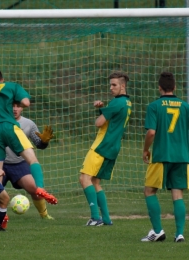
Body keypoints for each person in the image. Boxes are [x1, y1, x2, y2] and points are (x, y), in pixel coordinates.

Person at [0, 69, 57, 205]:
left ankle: (2, 211)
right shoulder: (12, 86)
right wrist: (11, 102)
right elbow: (26, 103)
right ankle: (40, 188)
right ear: (2, 80)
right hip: (10, 127)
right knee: (32, 160)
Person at [141, 72, 189, 242]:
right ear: (174, 87)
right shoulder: (185, 106)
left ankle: (158, 231)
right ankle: (180, 234)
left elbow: (151, 132)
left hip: (161, 155)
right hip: (182, 156)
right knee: (177, 194)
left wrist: (145, 149)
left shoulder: (154, 106)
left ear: (159, 87)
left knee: (149, 191)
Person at [79, 71, 131, 226]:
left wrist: (101, 112)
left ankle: (95, 218)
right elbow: (112, 119)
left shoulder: (116, 103)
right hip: (113, 147)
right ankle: (107, 219)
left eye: (114, 85)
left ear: (123, 86)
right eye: (110, 85)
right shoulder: (127, 102)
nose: (111, 88)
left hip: (101, 146)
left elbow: (99, 123)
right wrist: (103, 108)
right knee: (95, 182)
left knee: (84, 178)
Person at [2, 102, 54, 221]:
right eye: (12, 106)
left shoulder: (29, 124)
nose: (15, 109)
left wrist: (44, 142)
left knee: (34, 189)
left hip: (20, 164)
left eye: (18, 106)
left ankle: (44, 215)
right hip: (0, 163)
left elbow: (39, 144)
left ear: (22, 107)